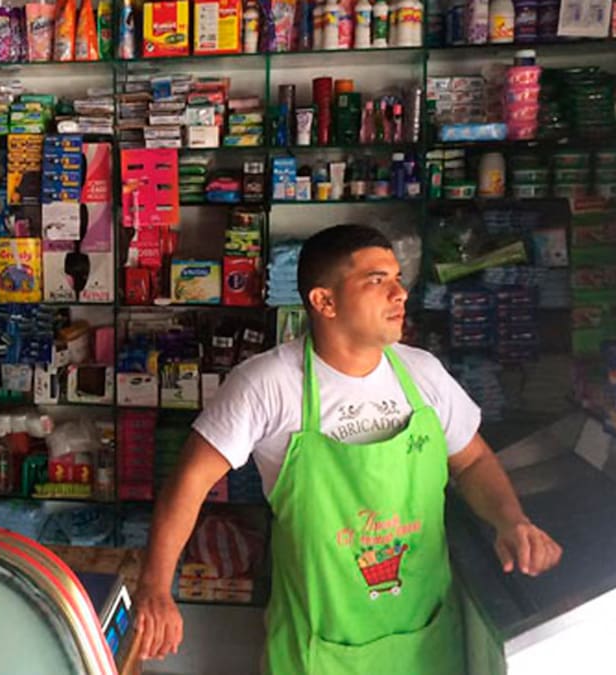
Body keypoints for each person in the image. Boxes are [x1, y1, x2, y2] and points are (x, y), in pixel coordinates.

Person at [133, 224, 562, 674]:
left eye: (398, 278)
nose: (399, 293)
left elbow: (472, 460)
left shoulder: (424, 374)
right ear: (325, 301)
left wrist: (511, 521)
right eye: (377, 280)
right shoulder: (268, 385)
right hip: (319, 651)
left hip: (424, 641)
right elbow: (190, 481)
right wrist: (156, 588)